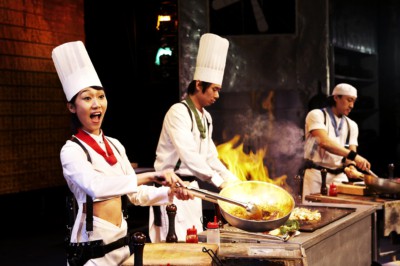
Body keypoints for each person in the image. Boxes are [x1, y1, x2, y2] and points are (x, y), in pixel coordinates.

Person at [52, 40, 192, 265]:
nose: (97, 104)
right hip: (91, 250)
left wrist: (171, 193)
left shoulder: (116, 145)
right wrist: (149, 176)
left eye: (101, 96)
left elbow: (135, 195)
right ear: (71, 107)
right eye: (87, 98)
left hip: (123, 244)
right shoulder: (71, 151)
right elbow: (96, 187)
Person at [149, 33, 241, 243]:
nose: (217, 95)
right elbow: (189, 156)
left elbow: (210, 157)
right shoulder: (178, 111)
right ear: (199, 85)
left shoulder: (206, 117)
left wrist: (233, 183)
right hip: (171, 191)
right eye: (215, 89)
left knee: (193, 245)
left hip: (192, 190)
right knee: (172, 250)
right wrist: (219, 183)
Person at [302, 83, 371, 202]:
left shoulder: (352, 125)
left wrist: (351, 166)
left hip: (339, 177)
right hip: (316, 175)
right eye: (349, 100)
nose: (352, 105)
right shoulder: (316, 115)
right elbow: (324, 142)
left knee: (340, 214)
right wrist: (355, 157)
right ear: (336, 97)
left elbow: (351, 152)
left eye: (354, 101)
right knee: (313, 214)